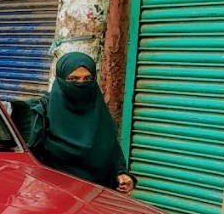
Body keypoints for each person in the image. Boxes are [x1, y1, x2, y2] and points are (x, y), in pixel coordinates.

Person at [11, 52, 135, 193]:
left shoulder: (99, 113)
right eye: (73, 79)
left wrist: (123, 175)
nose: (81, 85)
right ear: (60, 80)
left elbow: (113, 154)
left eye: (87, 79)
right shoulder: (40, 113)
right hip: (55, 199)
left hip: (96, 199)